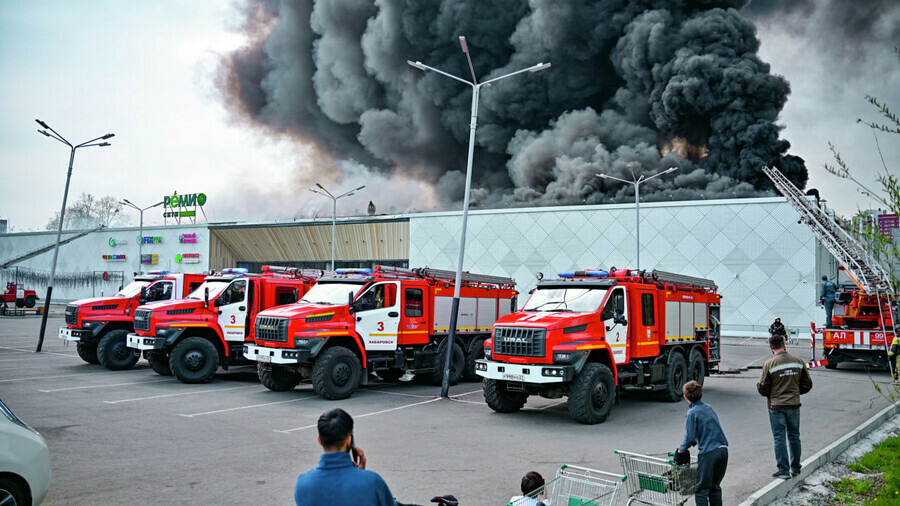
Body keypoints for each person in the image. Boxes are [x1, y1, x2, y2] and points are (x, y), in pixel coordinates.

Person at [294, 408, 396, 506]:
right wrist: (361, 475)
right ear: (349, 441)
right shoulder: (373, 481)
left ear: (319, 440)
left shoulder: (303, 484)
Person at [757, 334, 813, 480]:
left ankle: (783, 470)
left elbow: (763, 388)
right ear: (784, 344)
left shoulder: (769, 364)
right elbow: (807, 384)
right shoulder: (798, 361)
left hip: (776, 406)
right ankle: (795, 468)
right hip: (794, 404)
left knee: (779, 438)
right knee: (794, 436)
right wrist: (795, 392)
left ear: (771, 347)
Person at [675, 380, 728, 506]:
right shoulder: (709, 408)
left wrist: (681, 450)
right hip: (723, 450)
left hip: (709, 454)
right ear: (701, 394)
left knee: (701, 490)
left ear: (685, 397)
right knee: (714, 487)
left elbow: (689, 437)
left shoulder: (691, 413)